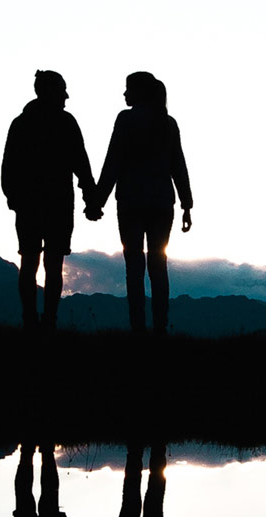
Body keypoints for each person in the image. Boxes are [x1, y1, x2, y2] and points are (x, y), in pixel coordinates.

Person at [84, 72, 193, 335]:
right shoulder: (168, 123)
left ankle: (138, 327)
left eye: (128, 89)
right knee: (159, 264)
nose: (124, 95)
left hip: (131, 202)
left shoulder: (126, 120)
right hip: (162, 203)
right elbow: (178, 164)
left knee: (134, 265)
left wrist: (98, 201)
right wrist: (186, 204)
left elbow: (113, 162)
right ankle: (159, 327)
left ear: (139, 92)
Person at [0, 71, 96, 333]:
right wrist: (91, 198)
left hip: (31, 204)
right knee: (52, 264)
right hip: (57, 204)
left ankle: (31, 320)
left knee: (29, 262)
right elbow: (81, 164)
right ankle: (47, 321)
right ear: (50, 92)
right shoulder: (66, 123)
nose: (66, 96)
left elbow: (8, 168)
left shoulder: (21, 123)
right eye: (62, 90)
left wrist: (14, 198)